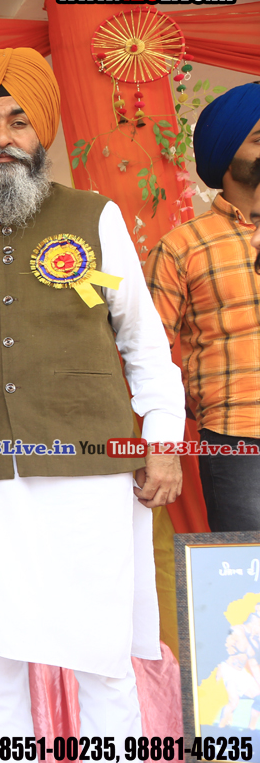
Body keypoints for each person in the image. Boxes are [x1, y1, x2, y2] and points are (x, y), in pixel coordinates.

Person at [0, 47, 185, 740]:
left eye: (18, 121)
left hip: (89, 470)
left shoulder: (94, 216)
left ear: (42, 133)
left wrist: (162, 441)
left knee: (100, 656)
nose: (3, 139)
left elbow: (144, 342)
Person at [145, 83, 260, 531]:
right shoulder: (182, 246)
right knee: (247, 568)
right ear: (226, 155)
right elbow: (148, 352)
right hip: (236, 437)